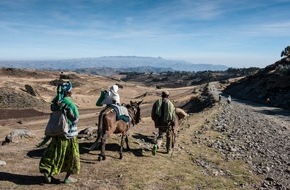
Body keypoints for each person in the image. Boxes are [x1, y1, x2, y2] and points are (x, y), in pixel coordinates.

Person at [39, 81, 80, 184]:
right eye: (71, 90)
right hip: (70, 135)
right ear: (69, 92)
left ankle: (47, 171)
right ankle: (67, 178)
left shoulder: (57, 102)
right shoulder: (70, 103)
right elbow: (75, 120)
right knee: (72, 157)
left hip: (58, 133)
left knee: (54, 153)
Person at [151, 90, 175, 155]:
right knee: (168, 136)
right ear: (167, 96)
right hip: (167, 123)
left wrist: (155, 121)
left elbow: (153, 114)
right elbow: (173, 115)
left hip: (159, 123)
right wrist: (173, 123)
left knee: (161, 136)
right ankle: (168, 150)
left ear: (162, 95)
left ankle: (157, 145)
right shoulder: (170, 104)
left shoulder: (157, 102)